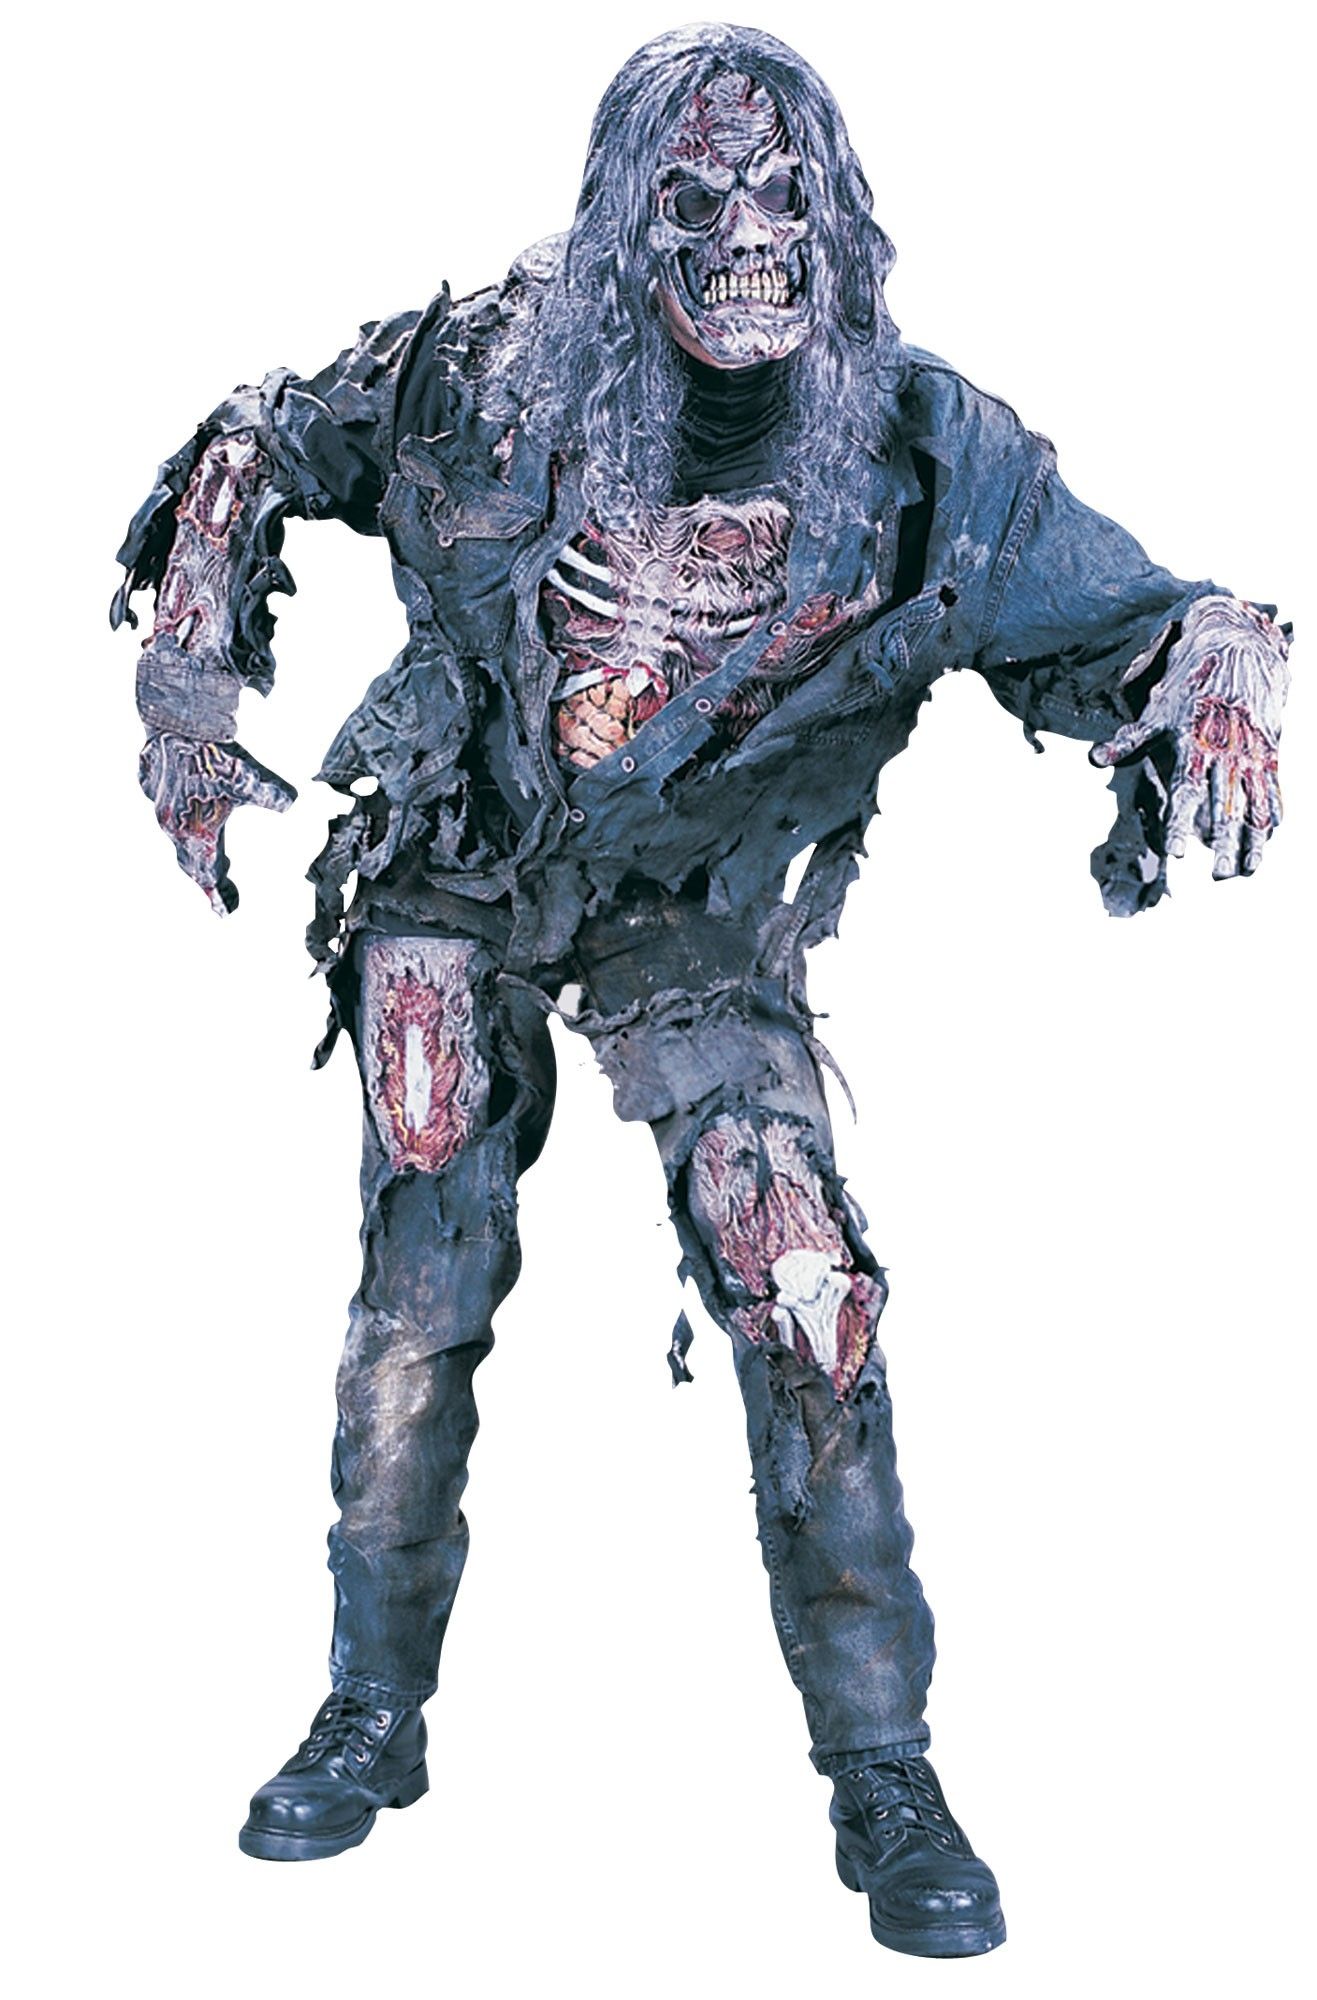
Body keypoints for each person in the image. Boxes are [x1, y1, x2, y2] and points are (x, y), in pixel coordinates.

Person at [113, 23, 1290, 1958]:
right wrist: (182, 687)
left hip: (697, 902)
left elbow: (1128, 620)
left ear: (840, 222)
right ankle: (369, 1707)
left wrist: (1222, 653)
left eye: (783, 196)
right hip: (465, 845)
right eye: (697, 198)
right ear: (617, 229)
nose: (749, 236)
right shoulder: (478, 374)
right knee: (421, 1264)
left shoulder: (927, 460)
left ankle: (883, 1769)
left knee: (796, 1271)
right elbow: (260, 437)